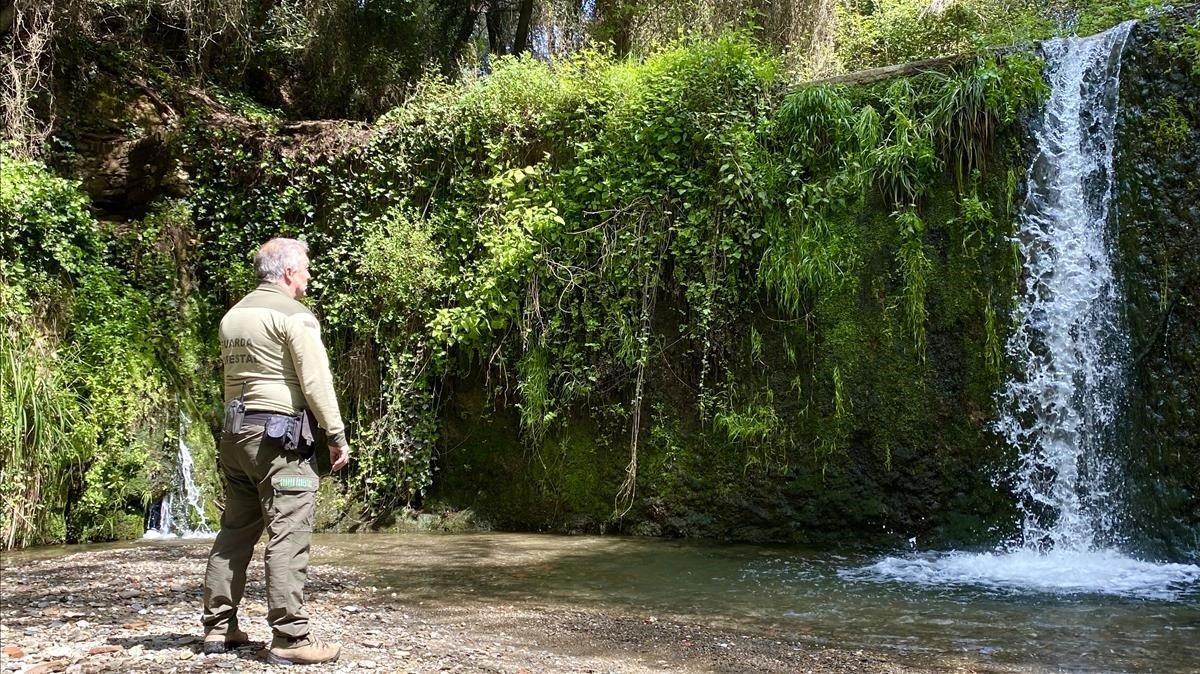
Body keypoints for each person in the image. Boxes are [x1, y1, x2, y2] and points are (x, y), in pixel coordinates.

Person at [201, 237, 350, 666]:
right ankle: (290, 637)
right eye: (305, 268)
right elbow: (316, 383)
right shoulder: (295, 316)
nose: (308, 275)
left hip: (235, 439)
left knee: (236, 531)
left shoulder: (234, 316)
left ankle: (218, 627)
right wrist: (336, 435)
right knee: (289, 532)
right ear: (287, 272)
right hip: (279, 445)